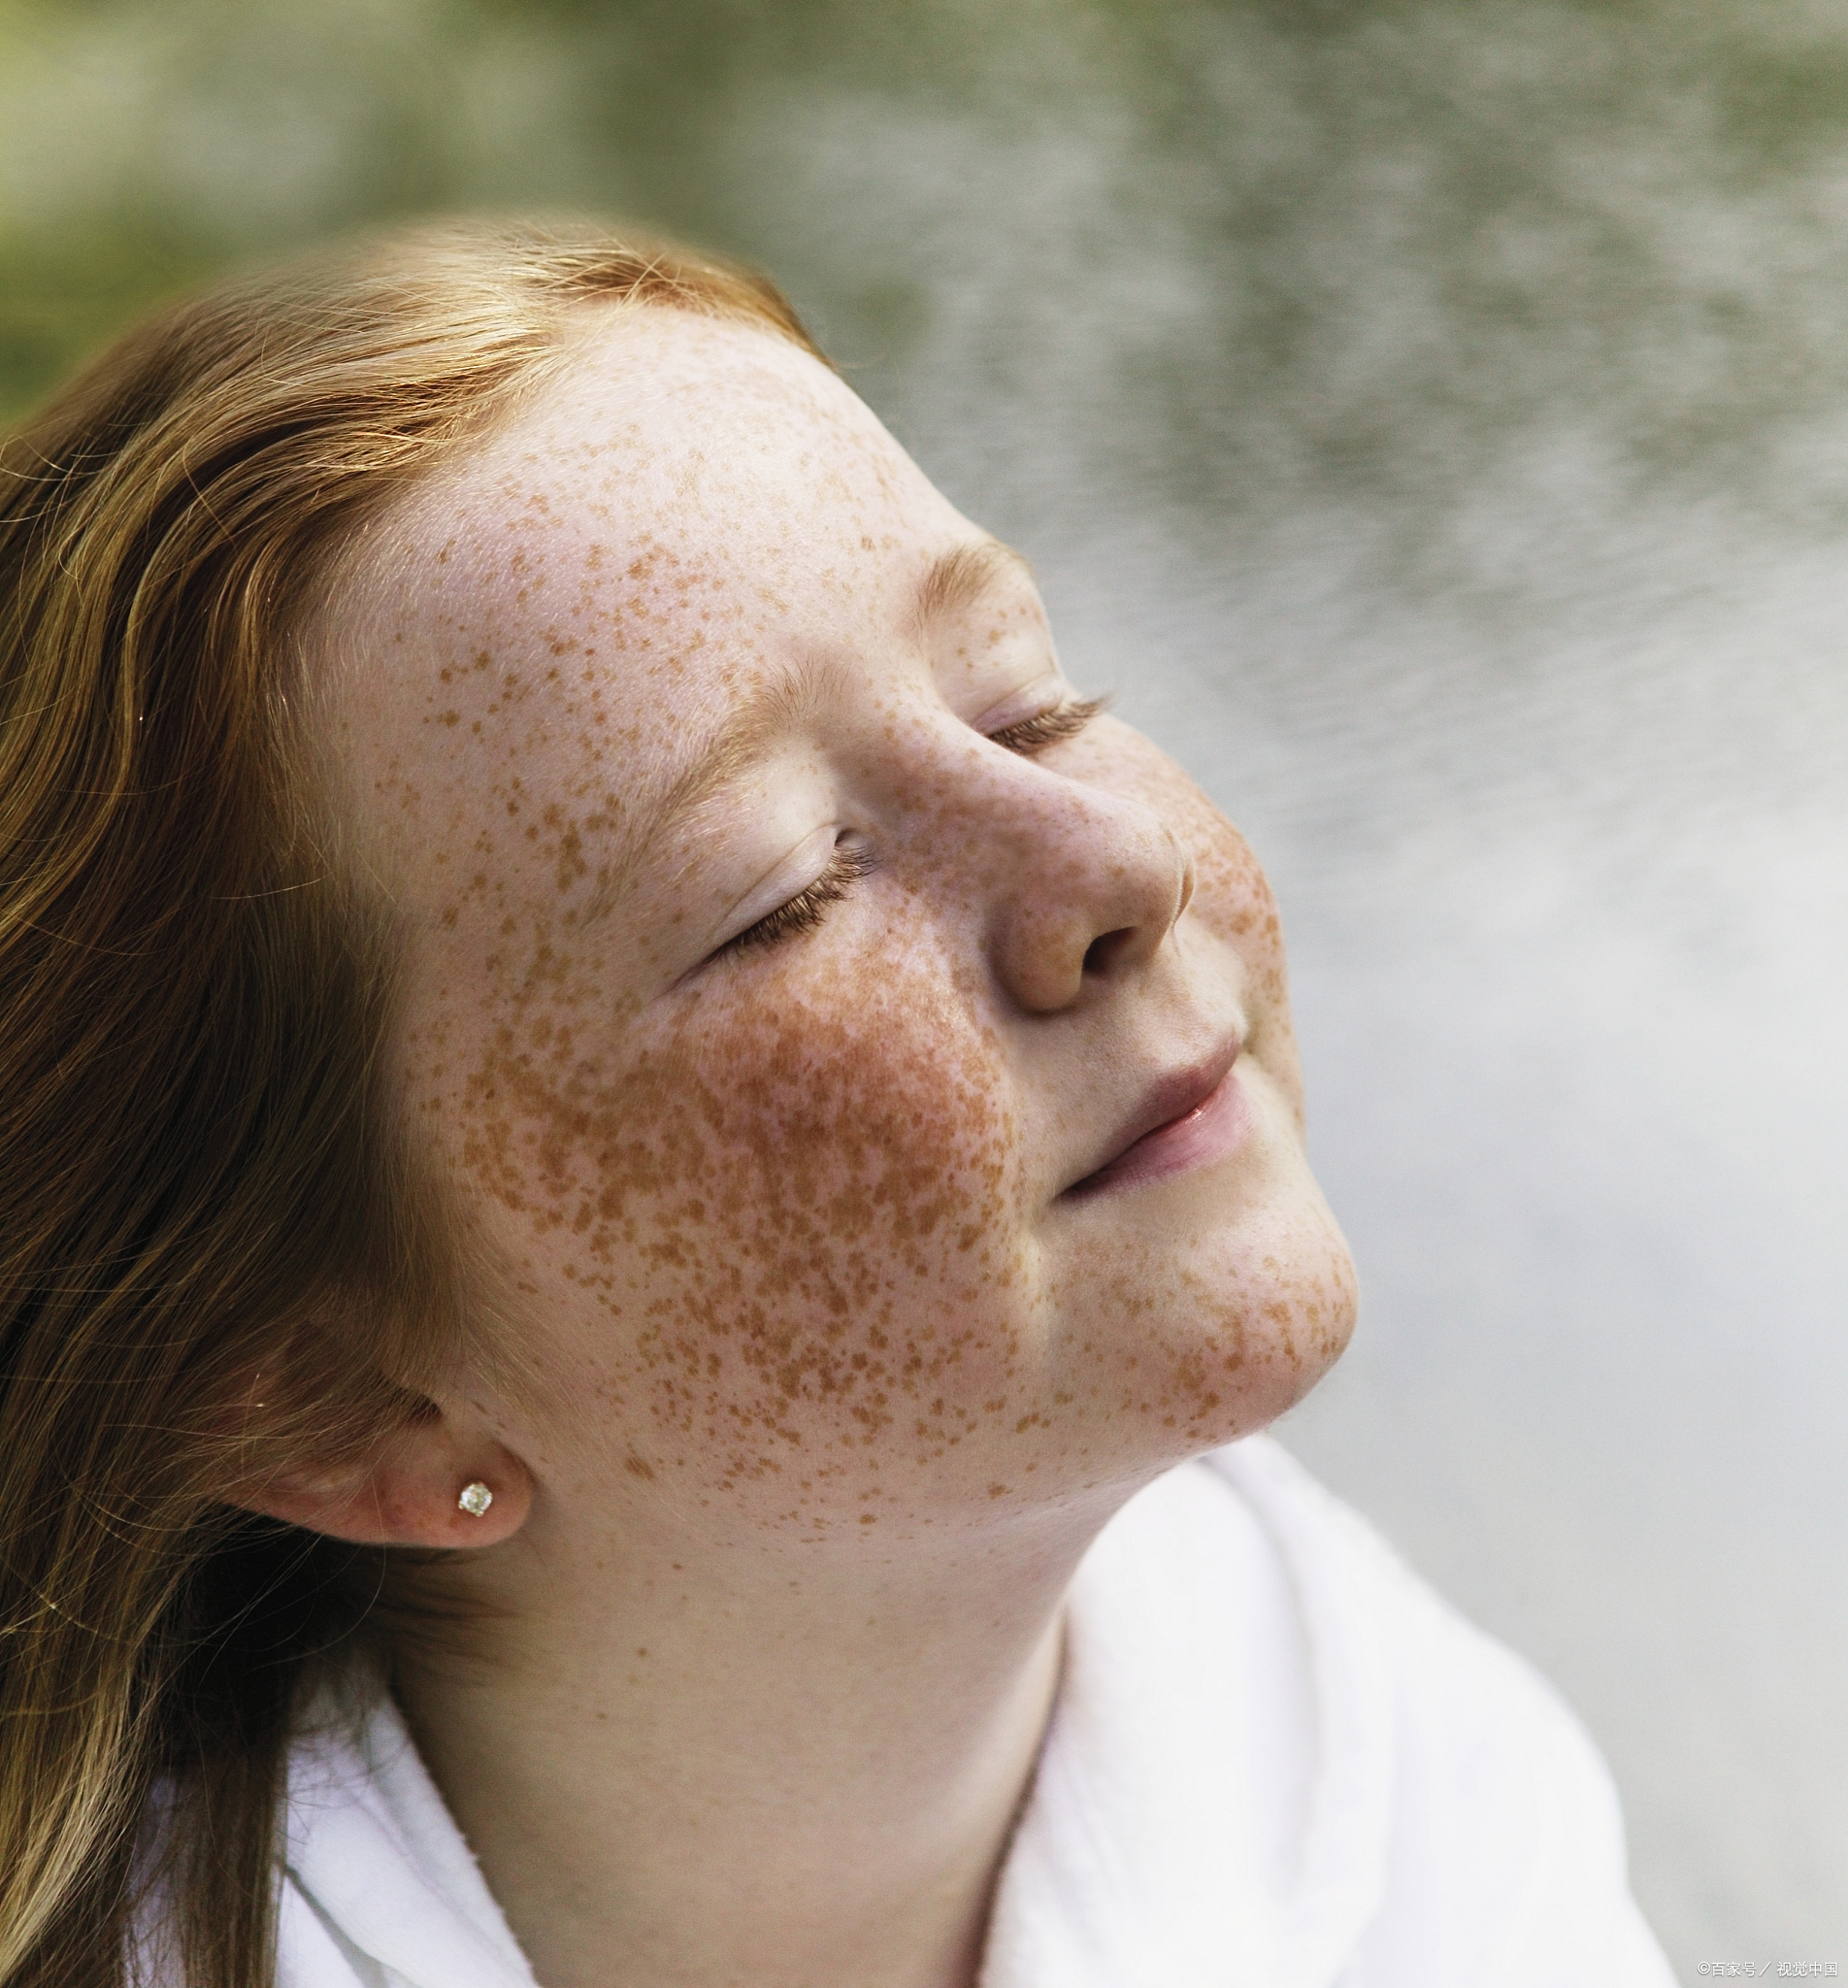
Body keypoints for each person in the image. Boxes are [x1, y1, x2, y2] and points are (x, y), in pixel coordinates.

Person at [0, 218, 1673, 1988]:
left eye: (1029, 702)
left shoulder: (1406, 1786)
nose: (1113, 861)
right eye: (786, 889)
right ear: (342, 1399)